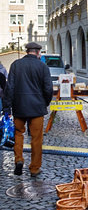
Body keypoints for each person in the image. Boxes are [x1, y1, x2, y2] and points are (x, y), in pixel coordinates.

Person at [3, 42, 53, 177]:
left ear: (27, 51)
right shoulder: (42, 67)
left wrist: (7, 107)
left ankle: (19, 160)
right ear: (38, 53)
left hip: (19, 107)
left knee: (18, 134)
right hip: (37, 108)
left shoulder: (15, 65)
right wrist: (45, 103)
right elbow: (48, 89)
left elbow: (10, 88)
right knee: (36, 139)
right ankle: (34, 168)